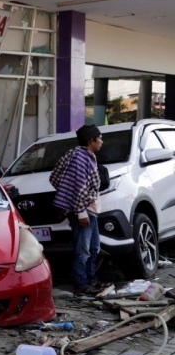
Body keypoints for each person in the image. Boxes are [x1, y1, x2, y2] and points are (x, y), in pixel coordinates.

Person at [49, 124, 112, 295]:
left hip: (89, 209)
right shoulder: (79, 157)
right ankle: (81, 284)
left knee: (93, 248)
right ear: (91, 140)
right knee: (83, 250)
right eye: (100, 138)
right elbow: (78, 186)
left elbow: (56, 179)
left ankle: (91, 280)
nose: (102, 141)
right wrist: (80, 211)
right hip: (83, 211)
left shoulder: (87, 155)